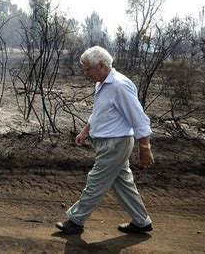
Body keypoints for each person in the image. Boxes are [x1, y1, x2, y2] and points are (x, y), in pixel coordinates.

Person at [55, 46, 155, 235]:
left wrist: (145, 147)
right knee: (123, 183)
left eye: (87, 69)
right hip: (108, 143)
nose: (85, 73)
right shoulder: (102, 84)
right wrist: (85, 131)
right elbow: (100, 113)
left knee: (96, 181)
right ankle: (142, 221)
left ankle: (76, 220)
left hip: (116, 143)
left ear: (100, 66)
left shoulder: (119, 85)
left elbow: (139, 118)